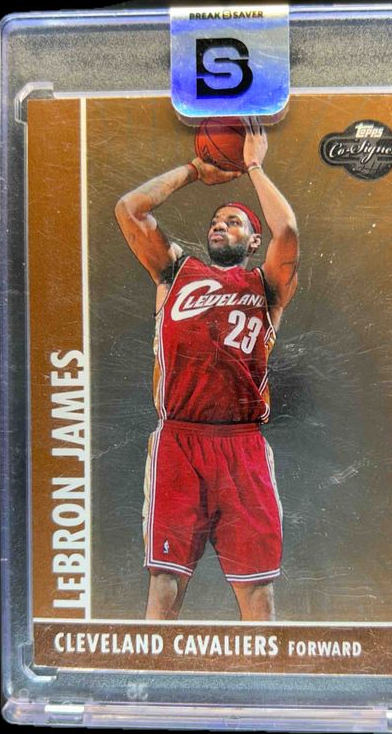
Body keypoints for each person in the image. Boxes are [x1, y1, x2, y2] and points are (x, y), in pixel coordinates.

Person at [115, 118, 299, 621]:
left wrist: (254, 167)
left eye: (233, 222)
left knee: (258, 596)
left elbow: (287, 230)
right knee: (164, 587)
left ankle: (262, 675)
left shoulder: (266, 287)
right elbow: (130, 209)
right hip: (180, 439)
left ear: (254, 241)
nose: (220, 225)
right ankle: (152, 671)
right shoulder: (176, 271)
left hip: (243, 444)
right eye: (216, 221)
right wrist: (195, 170)